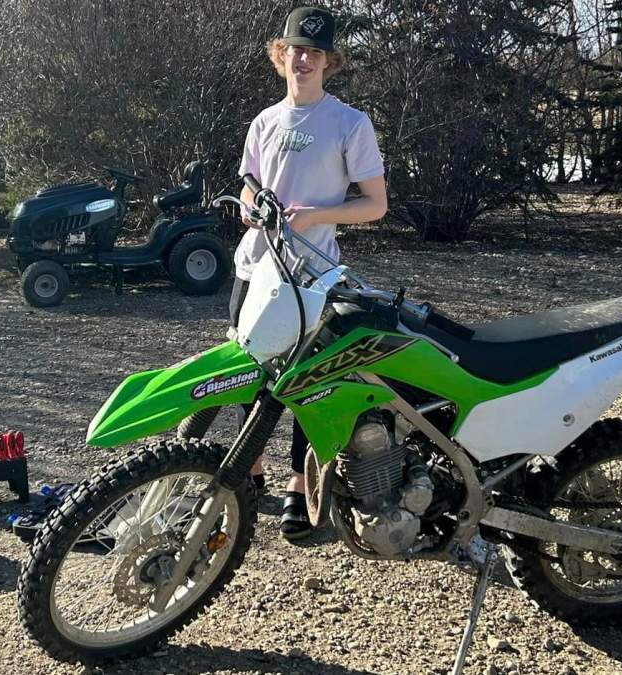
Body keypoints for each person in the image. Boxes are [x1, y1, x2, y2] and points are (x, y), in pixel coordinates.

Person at [230, 6, 387, 540]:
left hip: (309, 278)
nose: (304, 59)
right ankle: (248, 473)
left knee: (306, 384)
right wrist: (251, 205)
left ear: (328, 62)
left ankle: (301, 484)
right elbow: (250, 183)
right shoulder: (264, 121)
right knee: (247, 372)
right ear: (282, 55)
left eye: (315, 52)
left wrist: (318, 215)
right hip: (254, 268)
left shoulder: (349, 123)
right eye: (296, 49)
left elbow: (375, 205)